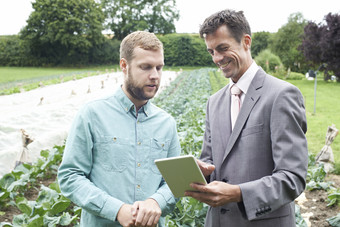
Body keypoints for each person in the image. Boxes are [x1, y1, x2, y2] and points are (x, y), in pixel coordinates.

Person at [185, 9, 308, 226]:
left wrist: (238, 193)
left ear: (246, 41)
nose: (217, 58)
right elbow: (210, 160)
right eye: (211, 51)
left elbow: (292, 178)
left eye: (223, 48)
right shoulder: (214, 102)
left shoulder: (281, 95)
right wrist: (201, 172)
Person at [58, 31, 181, 227]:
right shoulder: (92, 115)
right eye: (146, 67)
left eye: (159, 68)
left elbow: (175, 182)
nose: (154, 76)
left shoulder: (166, 123)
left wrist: (156, 201)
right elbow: (70, 176)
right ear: (124, 66)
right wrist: (116, 210)